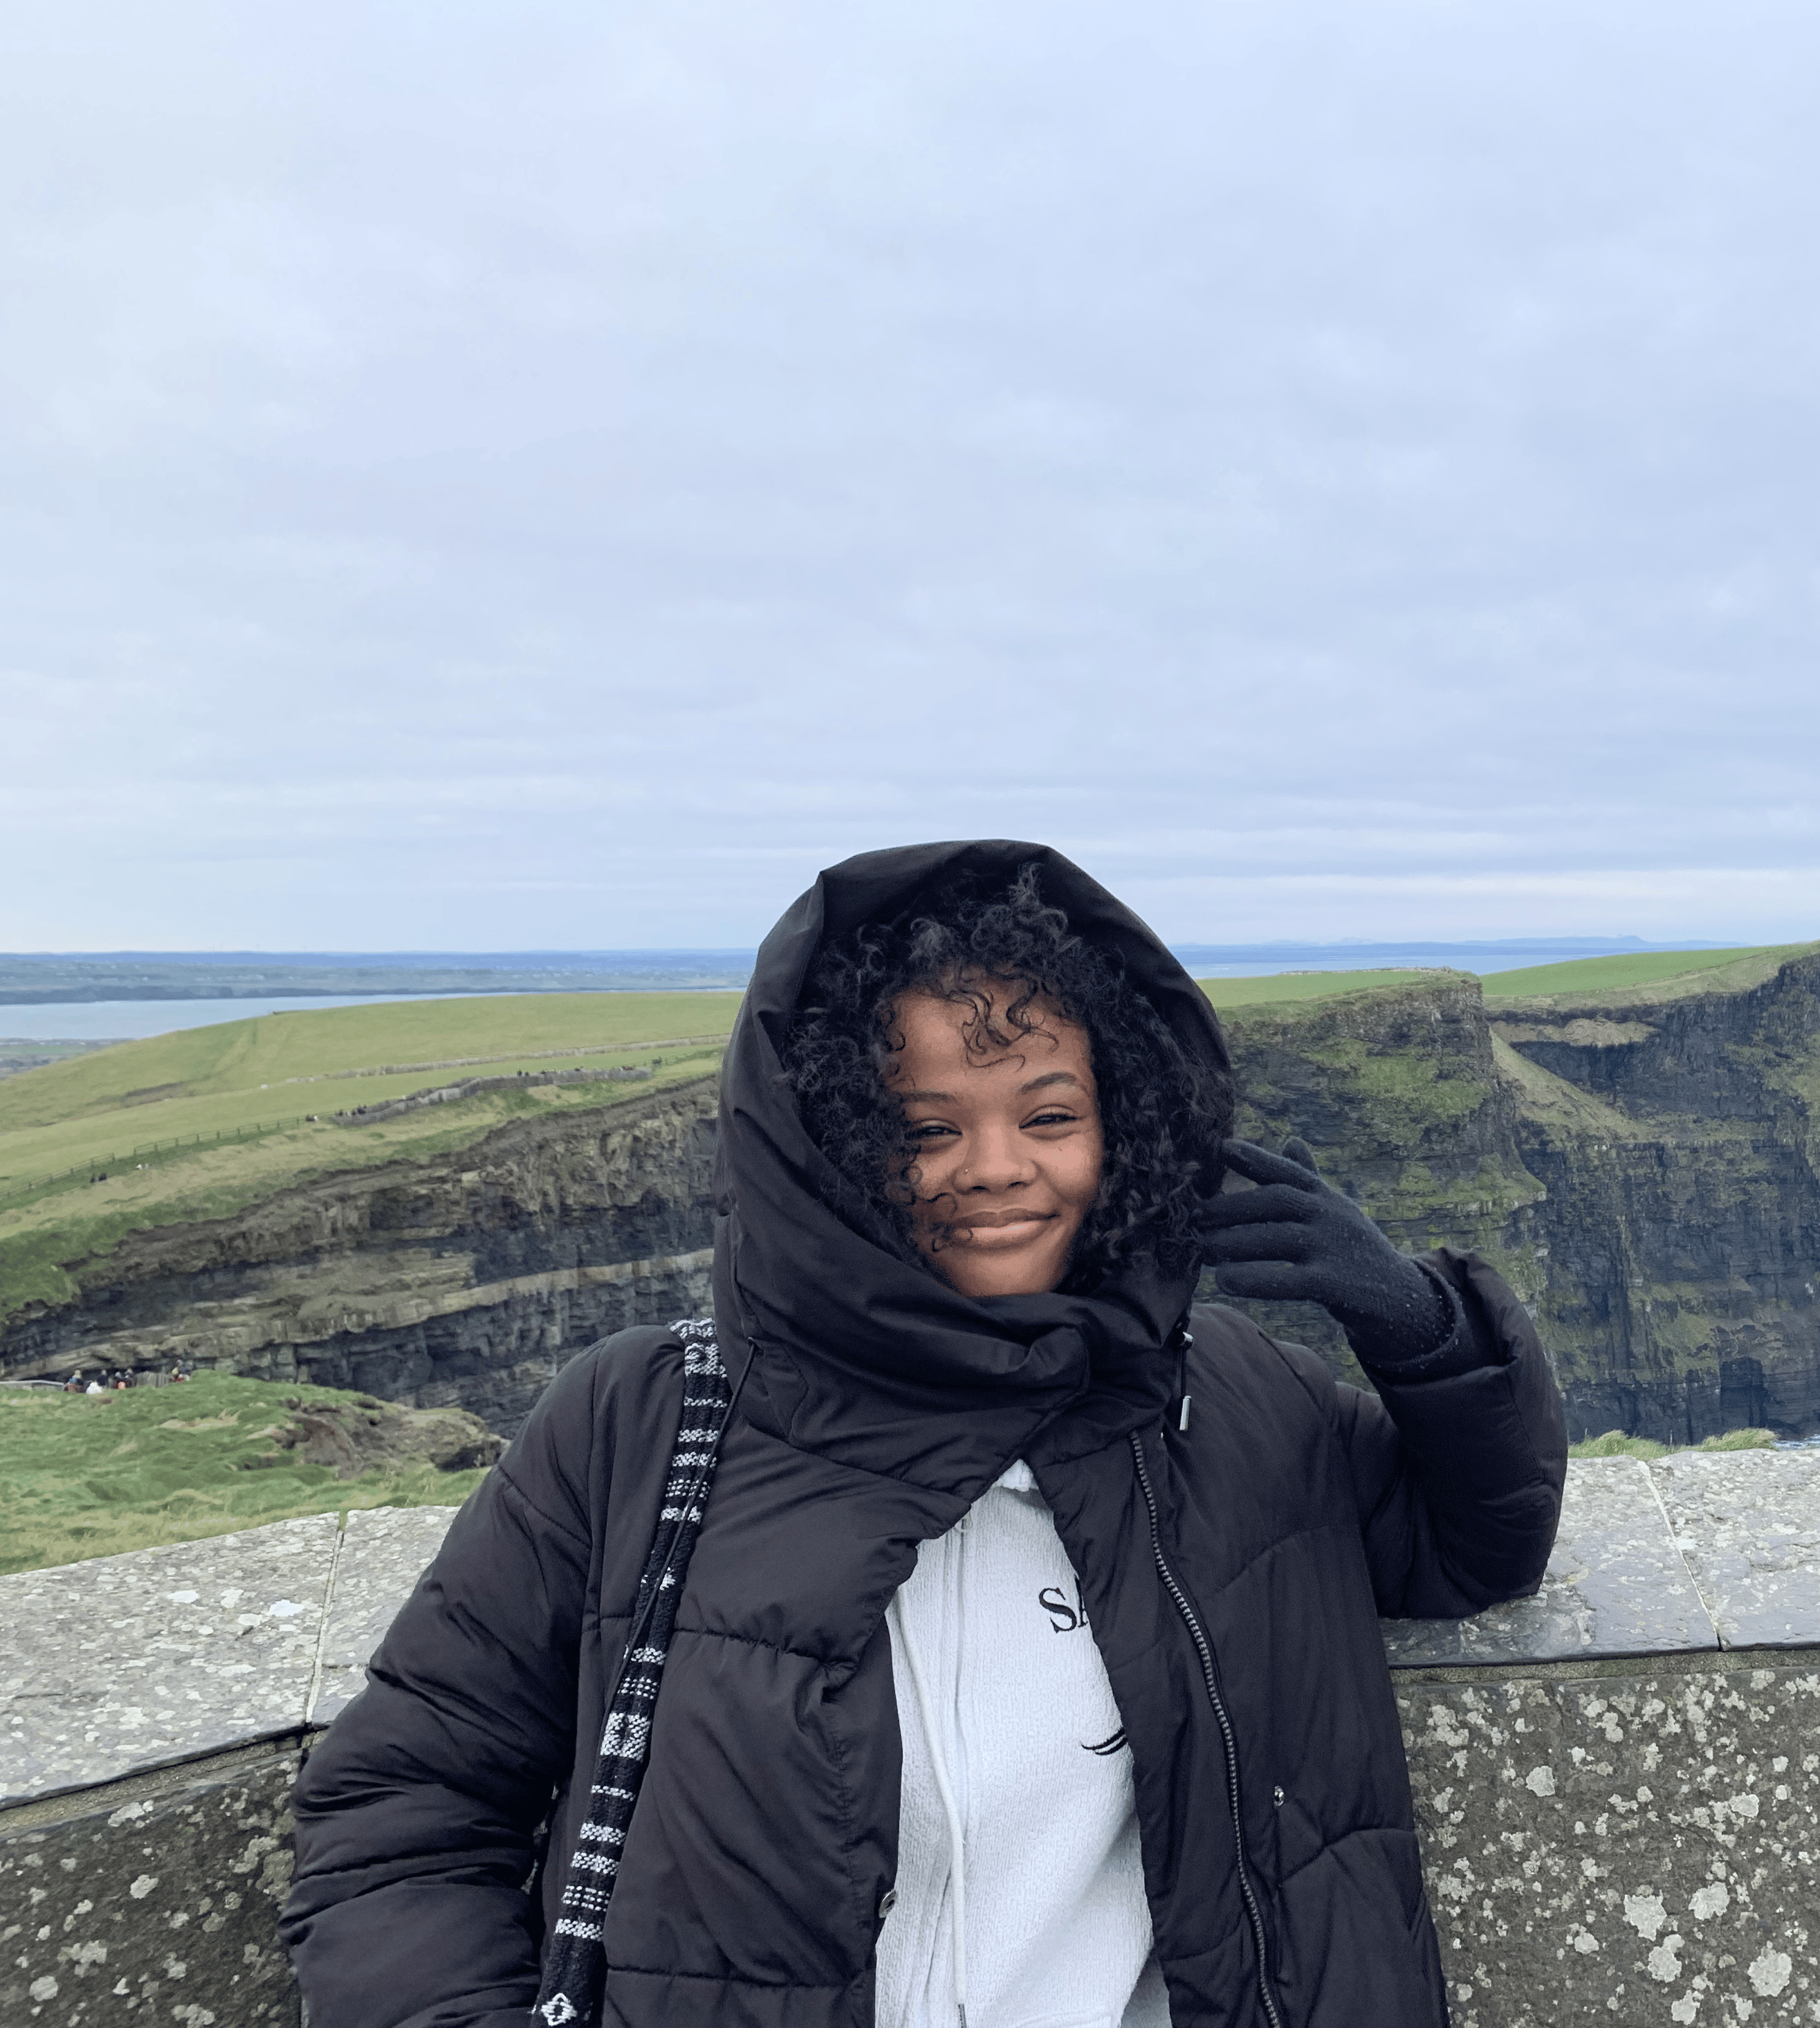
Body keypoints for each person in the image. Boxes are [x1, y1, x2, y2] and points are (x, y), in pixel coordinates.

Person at [282, 841, 1566, 2028]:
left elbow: (1473, 1549)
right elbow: (403, 1812)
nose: (997, 1166)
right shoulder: (636, 1423)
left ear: (1125, 1127)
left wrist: (1418, 1324)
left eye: (1049, 1116)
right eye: (924, 1128)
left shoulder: (1222, 1398)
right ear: (828, 1146)